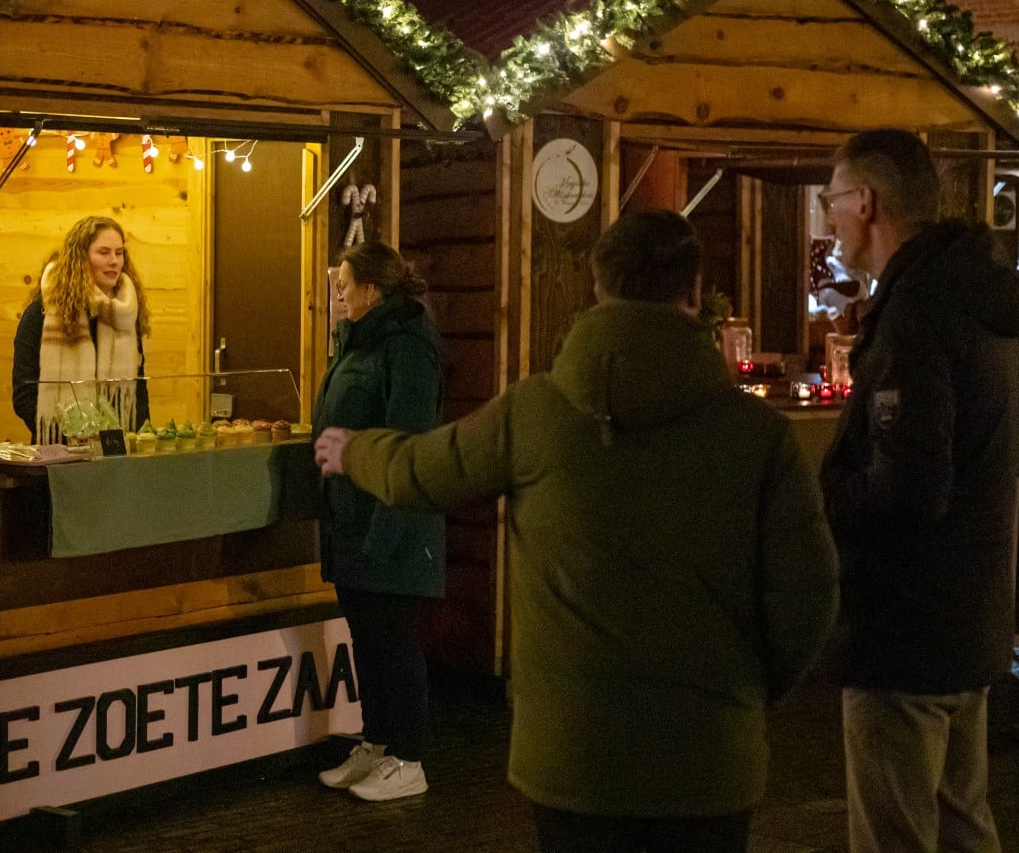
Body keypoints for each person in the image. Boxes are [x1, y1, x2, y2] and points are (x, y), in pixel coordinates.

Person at [316, 211, 838, 852]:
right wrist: (745, 695)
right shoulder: (760, 436)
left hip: (572, 756)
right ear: (695, 293)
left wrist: (354, 451)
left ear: (597, 287)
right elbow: (808, 593)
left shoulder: (535, 412)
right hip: (711, 760)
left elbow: (425, 470)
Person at [818, 128, 1019, 853]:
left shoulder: (915, 313)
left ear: (867, 202)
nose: (828, 218)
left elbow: (910, 487)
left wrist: (825, 498)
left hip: (903, 625)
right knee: (962, 824)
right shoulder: (991, 302)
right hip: (971, 615)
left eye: (832, 200)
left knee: (897, 835)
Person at [311, 241, 445, 803]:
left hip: (390, 525)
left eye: (343, 287)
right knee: (365, 641)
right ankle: (377, 741)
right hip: (349, 522)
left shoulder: (408, 346)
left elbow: (407, 444)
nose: (337, 297)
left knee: (394, 641)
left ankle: (408, 757)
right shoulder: (354, 342)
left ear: (371, 290)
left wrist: (385, 534)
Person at [11, 215, 150, 442]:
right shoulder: (40, 313)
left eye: (119, 252)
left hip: (115, 453)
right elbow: (24, 394)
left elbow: (139, 393)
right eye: (103, 253)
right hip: (57, 453)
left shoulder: (125, 317)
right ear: (81, 258)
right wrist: (72, 434)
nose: (114, 261)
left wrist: (139, 439)